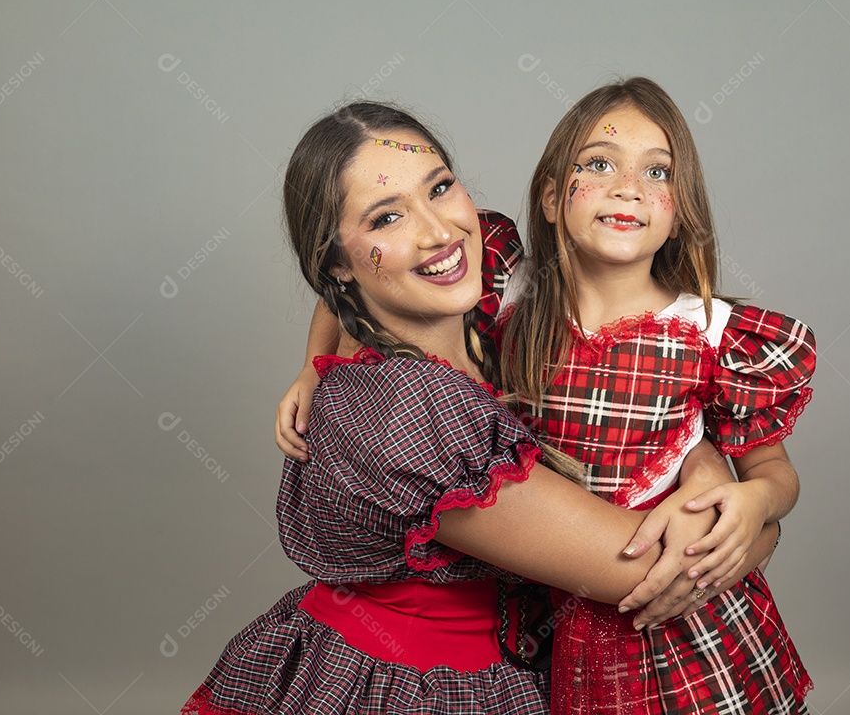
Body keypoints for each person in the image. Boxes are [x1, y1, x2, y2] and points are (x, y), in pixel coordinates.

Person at [185, 102, 781, 715]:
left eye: (440, 188)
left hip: (510, 661)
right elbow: (645, 571)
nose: (439, 232)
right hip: (414, 687)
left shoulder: (490, 316)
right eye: (387, 217)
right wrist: (763, 524)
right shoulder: (408, 407)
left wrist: (701, 457)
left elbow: (343, 297)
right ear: (336, 262)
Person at [494, 76, 816, 713]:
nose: (628, 187)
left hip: (677, 631)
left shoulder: (714, 335)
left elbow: (776, 475)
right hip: (538, 603)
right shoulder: (506, 295)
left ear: (679, 213)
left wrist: (753, 501)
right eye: (599, 163)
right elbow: (370, 278)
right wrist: (314, 368)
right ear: (554, 197)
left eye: (657, 172)